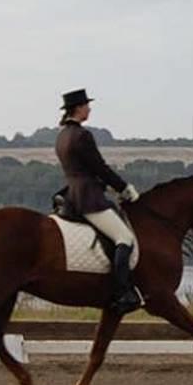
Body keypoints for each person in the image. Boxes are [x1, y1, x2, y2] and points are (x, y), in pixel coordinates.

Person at [55, 88, 142, 315]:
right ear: (79, 108)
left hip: (70, 195)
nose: (89, 109)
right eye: (87, 106)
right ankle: (122, 292)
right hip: (88, 198)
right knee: (125, 238)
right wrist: (124, 188)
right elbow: (100, 168)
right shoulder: (83, 136)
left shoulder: (62, 136)